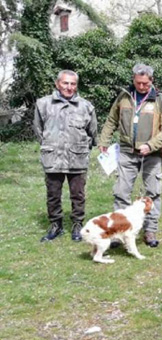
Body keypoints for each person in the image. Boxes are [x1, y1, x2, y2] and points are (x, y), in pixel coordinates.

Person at [98, 63, 162, 248]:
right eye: (139, 83)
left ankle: (150, 230)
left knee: (153, 192)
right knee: (122, 192)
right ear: (133, 79)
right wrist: (103, 141)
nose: (142, 87)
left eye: (145, 84)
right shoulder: (123, 97)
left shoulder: (160, 100)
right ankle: (119, 231)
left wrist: (151, 145)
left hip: (152, 154)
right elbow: (111, 121)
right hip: (126, 152)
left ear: (152, 81)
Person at [33, 70, 98, 242]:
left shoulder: (86, 106)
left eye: (73, 84)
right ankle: (56, 225)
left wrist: (80, 147)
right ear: (57, 84)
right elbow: (39, 130)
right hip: (53, 157)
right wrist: (51, 145)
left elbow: (92, 133)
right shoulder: (43, 104)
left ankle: (78, 224)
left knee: (78, 194)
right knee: (53, 193)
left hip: (77, 158)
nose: (69, 87)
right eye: (65, 83)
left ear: (76, 86)